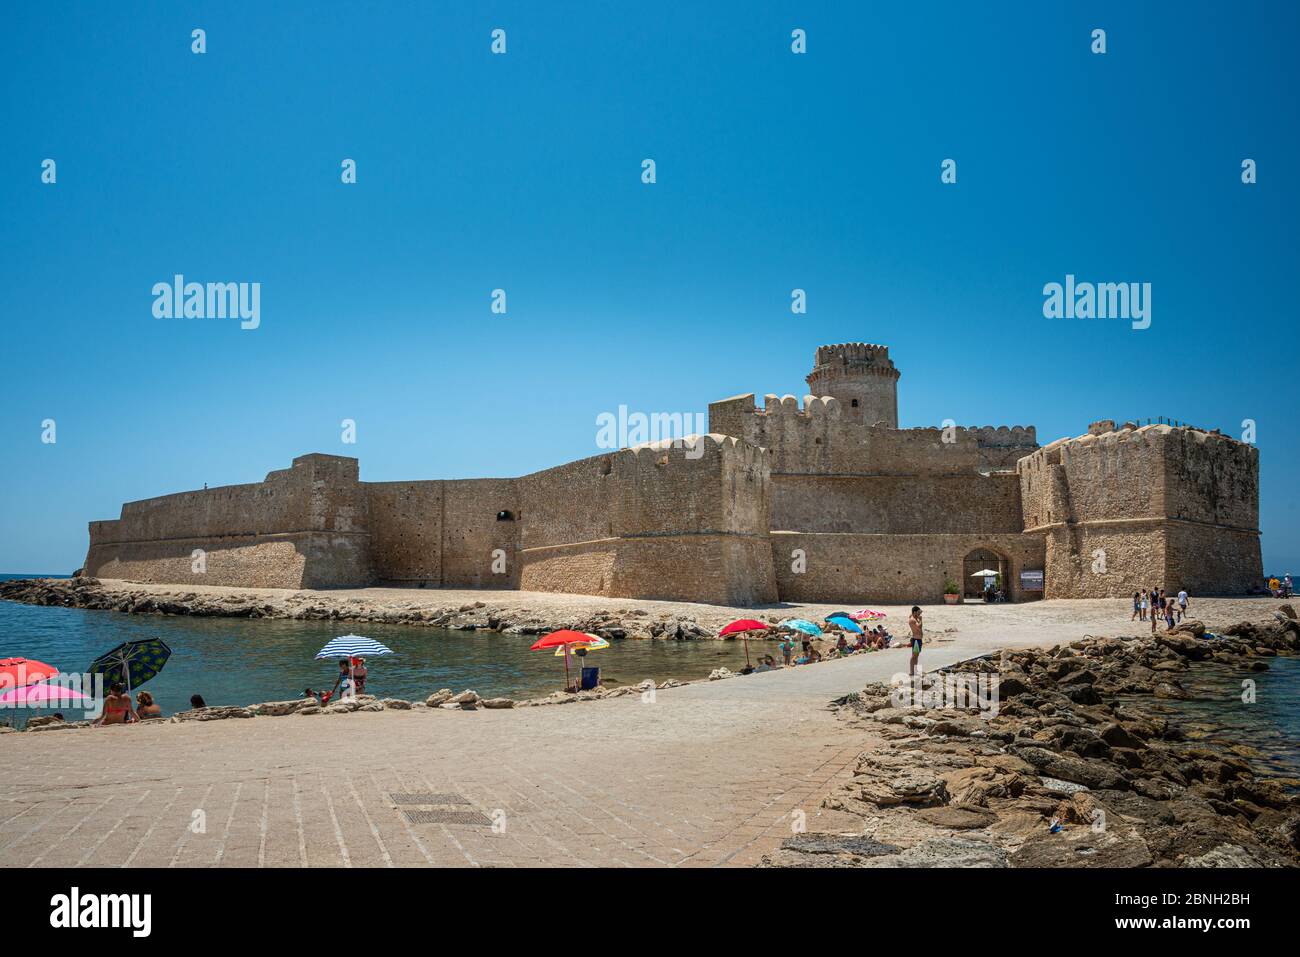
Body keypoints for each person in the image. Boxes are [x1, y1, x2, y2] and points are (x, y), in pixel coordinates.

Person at [908, 606, 923, 677]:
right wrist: (921, 620)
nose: (919, 614)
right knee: (914, 656)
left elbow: (912, 614)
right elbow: (919, 627)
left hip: (918, 639)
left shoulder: (914, 618)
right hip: (916, 640)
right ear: (914, 612)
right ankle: (911, 672)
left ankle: (915, 670)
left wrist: (918, 614)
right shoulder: (913, 620)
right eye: (918, 612)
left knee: (916, 656)